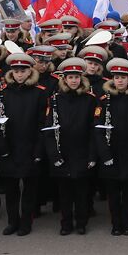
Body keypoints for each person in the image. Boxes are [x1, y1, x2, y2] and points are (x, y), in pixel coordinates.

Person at [0, 53, 49, 236]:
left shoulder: (40, 92)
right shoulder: (2, 93)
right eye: (16, 71)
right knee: (11, 189)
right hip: (9, 147)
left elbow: (44, 123)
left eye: (23, 71)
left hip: (30, 147)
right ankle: (12, 221)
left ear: (29, 71)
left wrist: (39, 149)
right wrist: (1, 147)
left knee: (30, 189)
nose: (19, 75)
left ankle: (26, 222)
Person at [93, 59, 128, 236]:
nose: (120, 81)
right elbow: (98, 130)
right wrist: (104, 154)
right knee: (113, 192)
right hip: (110, 153)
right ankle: (116, 222)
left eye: (123, 77)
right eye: (117, 77)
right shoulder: (104, 101)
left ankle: (127, 222)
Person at [43, 58, 96, 235]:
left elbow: (93, 129)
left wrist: (92, 155)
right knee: (64, 192)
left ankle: (81, 222)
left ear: (81, 78)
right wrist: (54, 155)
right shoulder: (55, 99)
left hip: (81, 151)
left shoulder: (89, 99)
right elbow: (49, 128)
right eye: (70, 77)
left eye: (76, 77)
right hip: (62, 150)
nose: (73, 80)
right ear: (64, 79)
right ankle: (66, 223)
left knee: (81, 191)